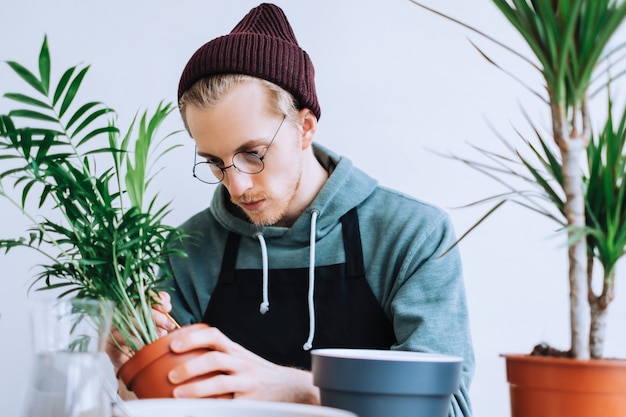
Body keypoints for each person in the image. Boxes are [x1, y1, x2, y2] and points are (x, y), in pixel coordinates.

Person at [110, 3, 474, 416]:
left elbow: (449, 407)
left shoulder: (412, 235)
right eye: (214, 162)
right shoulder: (189, 249)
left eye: (253, 153)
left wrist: (300, 389)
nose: (236, 185)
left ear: (305, 128)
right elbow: (163, 406)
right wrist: (135, 366)